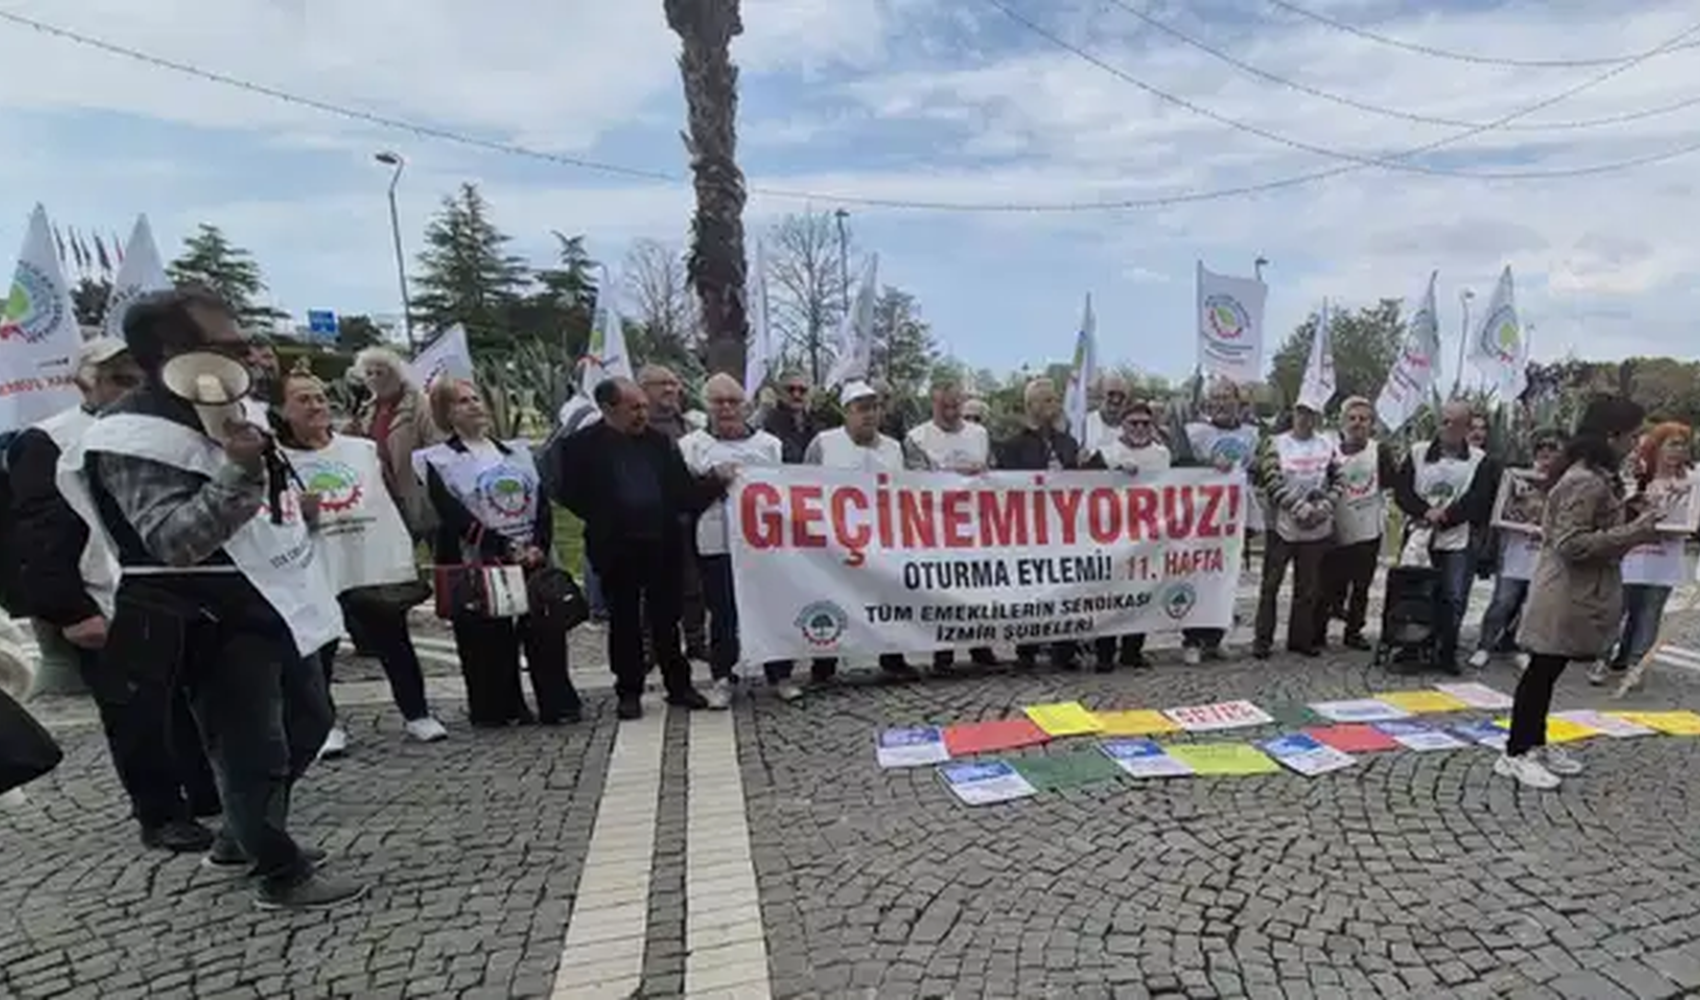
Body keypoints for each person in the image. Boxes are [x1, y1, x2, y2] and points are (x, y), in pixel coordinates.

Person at [57, 285, 361, 910]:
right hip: (204, 614)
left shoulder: (221, 411)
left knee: (311, 721)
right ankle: (280, 871)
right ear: (172, 350)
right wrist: (239, 474)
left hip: (269, 598)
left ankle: (240, 835)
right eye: (223, 344)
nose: (244, 352)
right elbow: (172, 540)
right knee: (253, 749)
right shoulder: (132, 436)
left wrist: (284, 507)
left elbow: (251, 512)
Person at [8, 337, 220, 852]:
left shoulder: (157, 429)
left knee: (190, 700)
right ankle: (160, 812)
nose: (131, 388)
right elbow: (37, 533)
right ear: (87, 382)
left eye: (137, 378)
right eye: (118, 379)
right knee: (135, 712)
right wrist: (70, 609)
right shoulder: (49, 439)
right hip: (106, 595)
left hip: (173, 587)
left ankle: (207, 791)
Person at [276, 361, 448, 749]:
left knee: (394, 642)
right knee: (321, 651)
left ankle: (417, 713)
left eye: (320, 397)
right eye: (303, 400)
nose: (316, 405)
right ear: (282, 411)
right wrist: (294, 512)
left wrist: (399, 552)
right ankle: (326, 725)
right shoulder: (277, 460)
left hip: (368, 563)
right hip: (318, 566)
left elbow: (387, 502)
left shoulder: (362, 450)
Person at [1499, 396, 1664, 789]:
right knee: (1541, 671)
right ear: (1612, 435)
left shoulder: (1593, 477)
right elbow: (1571, 543)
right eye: (1634, 434)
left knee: (1548, 670)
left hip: (1575, 590)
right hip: (1563, 591)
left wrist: (1628, 513)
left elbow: (1589, 526)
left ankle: (1533, 742)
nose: (1637, 442)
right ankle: (1516, 752)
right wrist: (1636, 531)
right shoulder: (1584, 480)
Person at [555, 378, 732, 719]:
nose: (642, 414)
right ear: (609, 409)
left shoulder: (658, 442)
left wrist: (714, 481)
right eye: (634, 408)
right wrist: (606, 515)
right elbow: (570, 492)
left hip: (662, 544)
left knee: (668, 618)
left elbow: (683, 493)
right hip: (616, 547)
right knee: (624, 621)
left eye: (643, 406)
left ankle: (678, 686)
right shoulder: (580, 447)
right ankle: (629, 690)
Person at [417, 378, 580, 728]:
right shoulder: (440, 460)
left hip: (531, 554)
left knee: (544, 629)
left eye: (476, 398)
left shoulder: (516, 452)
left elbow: (541, 503)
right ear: (446, 413)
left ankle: (557, 702)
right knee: (488, 637)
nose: (474, 405)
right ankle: (500, 706)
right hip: (479, 557)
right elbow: (453, 513)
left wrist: (537, 544)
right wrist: (503, 548)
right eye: (462, 401)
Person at [678, 375, 799, 705]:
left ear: (746, 405)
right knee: (723, 612)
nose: (727, 408)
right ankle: (722, 676)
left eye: (733, 401)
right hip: (716, 541)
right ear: (708, 406)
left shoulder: (769, 445)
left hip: (765, 543)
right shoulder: (690, 446)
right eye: (719, 402)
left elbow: (789, 491)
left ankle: (780, 673)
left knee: (771, 607)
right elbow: (683, 497)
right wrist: (714, 480)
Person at [804, 381, 922, 681]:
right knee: (833, 596)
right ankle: (824, 662)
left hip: (884, 538)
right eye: (861, 409)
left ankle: (892, 657)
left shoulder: (895, 447)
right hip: (836, 538)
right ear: (846, 413)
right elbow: (802, 482)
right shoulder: (824, 443)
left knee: (887, 599)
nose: (869, 415)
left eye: (874, 408)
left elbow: (914, 485)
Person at [1392, 401, 1497, 673]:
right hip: (1418, 535)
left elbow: (1479, 498)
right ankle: (1410, 647)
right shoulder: (1417, 453)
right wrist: (1425, 511)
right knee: (1414, 593)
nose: (1448, 428)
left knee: (1453, 597)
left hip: (1457, 540)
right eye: (1444, 421)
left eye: (1455, 423)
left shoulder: (1479, 460)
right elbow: (1402, 491)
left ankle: (1445, 651)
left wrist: (1446, 516)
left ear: (1465, 427)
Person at [905, 380, 998, 672]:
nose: (950, 411)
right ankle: (942, 654)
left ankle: (981, 647)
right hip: (936, 525)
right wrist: (955, 474)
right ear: (933, 403)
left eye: (955, 405)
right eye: (943, 405)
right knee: (941, 590)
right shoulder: (917, 437)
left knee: (977, 589)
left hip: (975, 525)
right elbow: (912, 480)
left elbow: (993, 470)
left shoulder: (979, 434)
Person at [1593, 421, 1693, 687]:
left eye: (1683, 445)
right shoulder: (1635, 478)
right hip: (1632, 556)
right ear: (1657, 447)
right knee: (1617, 609)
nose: (1677, 451)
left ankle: (1637, 665)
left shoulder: (1692, 483)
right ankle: (1601, 659)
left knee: (1650, 612)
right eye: (1672, 444)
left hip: (1666, 558)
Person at [993, 377, 1083, 669]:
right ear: (1029, 405)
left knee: (1067, 589)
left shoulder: (1069, 443)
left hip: (1065, 531)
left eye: (1054, 399)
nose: (1053, 405)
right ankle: (1027, 650)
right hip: (1029, 532)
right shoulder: (1011, 446)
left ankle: (1065, 650)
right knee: (1031, 589)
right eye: (1046, 400)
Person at [1082, 401, 1170, 670]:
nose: (1140, 428)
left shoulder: (1162, 453)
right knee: (1108, 596)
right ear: (1122, 425)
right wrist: (1111, 474)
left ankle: (1132, 651)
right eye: (1134, 423)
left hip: (1146, 538)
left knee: (1141, 595)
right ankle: (1105, 654)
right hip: (1112, 537)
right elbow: (1081, 483)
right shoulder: (1107, 453)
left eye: (1146, 423)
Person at [1181, 378, 1261, 663]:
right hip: (1200, 518)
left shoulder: (1252, 434)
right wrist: (1207, 466)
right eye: (1216, 397)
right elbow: (1178, 465)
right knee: (1197, 577)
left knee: (1225, 579)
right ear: (1207, 402)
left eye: (1227, 397)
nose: (1222, 402)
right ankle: (1191, 640)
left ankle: (1215, 638)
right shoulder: (1195, 432)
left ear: (1237, 402)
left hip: (1234, 518)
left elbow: (1256, 468)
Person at [1469, 431, 1564, 669]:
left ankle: (1519, 646)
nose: (1547, 456)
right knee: (1503, 600)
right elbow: (1503, 509)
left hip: (1544, 554)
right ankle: (1484, 645)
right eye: (1542, 451)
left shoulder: (1565, 483)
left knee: (1531, 604)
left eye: (1553, 452)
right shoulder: (1516, 478)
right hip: (1515, 551)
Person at [1252, 401, 1338, 659]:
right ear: (1293, 413)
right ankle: (1262, 640)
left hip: (1316, 526)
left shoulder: (1327, 443)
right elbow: (1271, 477)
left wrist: (1326, 505)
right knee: (1270, 586)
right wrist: (1297, 506)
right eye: (1301, 412)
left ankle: (1300, 640)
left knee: (1308, 588)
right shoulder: (1275, 443)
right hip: (1282, 526)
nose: (1305, 418)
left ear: (1317, 416)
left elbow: (1339, 479)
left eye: (1310, 413)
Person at [1316, 397, 1398, 651]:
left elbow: (1390, 481)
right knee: (1327, 584)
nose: (1357, 423)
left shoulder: (1379, 451)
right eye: (1352, 418)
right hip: (1335, 528)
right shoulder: (1330, 450)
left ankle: (1354, 631)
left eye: (1363, 418)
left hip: (1367, 529)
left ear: (1371, 423)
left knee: (1361, 587)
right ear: (1343, 422)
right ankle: (1318, 632)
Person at [639, 364, 709, 661]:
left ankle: (695, 640)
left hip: (687, 517)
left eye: (674, 383)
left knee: (694, 583)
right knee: (650, 586)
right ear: (643, 388)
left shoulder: (689, 426)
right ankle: (650, 646)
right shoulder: (637, 426)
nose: (670, 389)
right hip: (649, 520)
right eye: (661, 384)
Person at [345, 347, 443, 536]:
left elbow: (436, 445)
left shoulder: (420, 404)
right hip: (382, 489)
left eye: (380, 372)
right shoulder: (368, 408)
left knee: (429, 544)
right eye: (369, 373)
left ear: (395, 373)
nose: (374, 378)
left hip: (415, 489)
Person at [762, 371, 822, 465]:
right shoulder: (766, 424)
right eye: (790, 389)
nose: (796, 395)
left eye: (802, 390)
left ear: (810, 394)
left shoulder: (819, 427)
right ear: (779, 393)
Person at [1081, 374, 1131, 457]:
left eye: (1121, 396)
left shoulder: (1135, 424)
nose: (1116, 400)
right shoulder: (1087, 422)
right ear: (1101, 394)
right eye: (1111, 394)